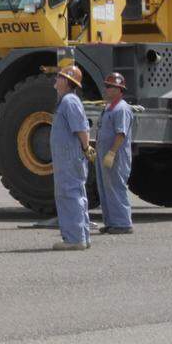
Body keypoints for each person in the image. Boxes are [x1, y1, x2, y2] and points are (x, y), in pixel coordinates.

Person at [50, 64, 95, 250]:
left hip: (70, 157)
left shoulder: (69, 101)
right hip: (68, 157)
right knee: (75, 193)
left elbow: (81, 128)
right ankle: (81, 236)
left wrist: (86, 147)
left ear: (66, 82)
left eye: (59, 77)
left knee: (69, 193)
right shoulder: (68, 101)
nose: (56, 80)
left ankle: (74, 238)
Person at [96, 72, 134, 234]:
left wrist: (111, 152)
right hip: (104, 154)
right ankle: (111, 222)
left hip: (116, 155)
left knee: (116, 187)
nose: (107, 89)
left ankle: (123, 223)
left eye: (111, 87)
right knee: (105, 188)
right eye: (107, 86)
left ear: (120, 89)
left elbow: (121, 134)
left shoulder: (121, 109)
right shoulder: (109, 108)